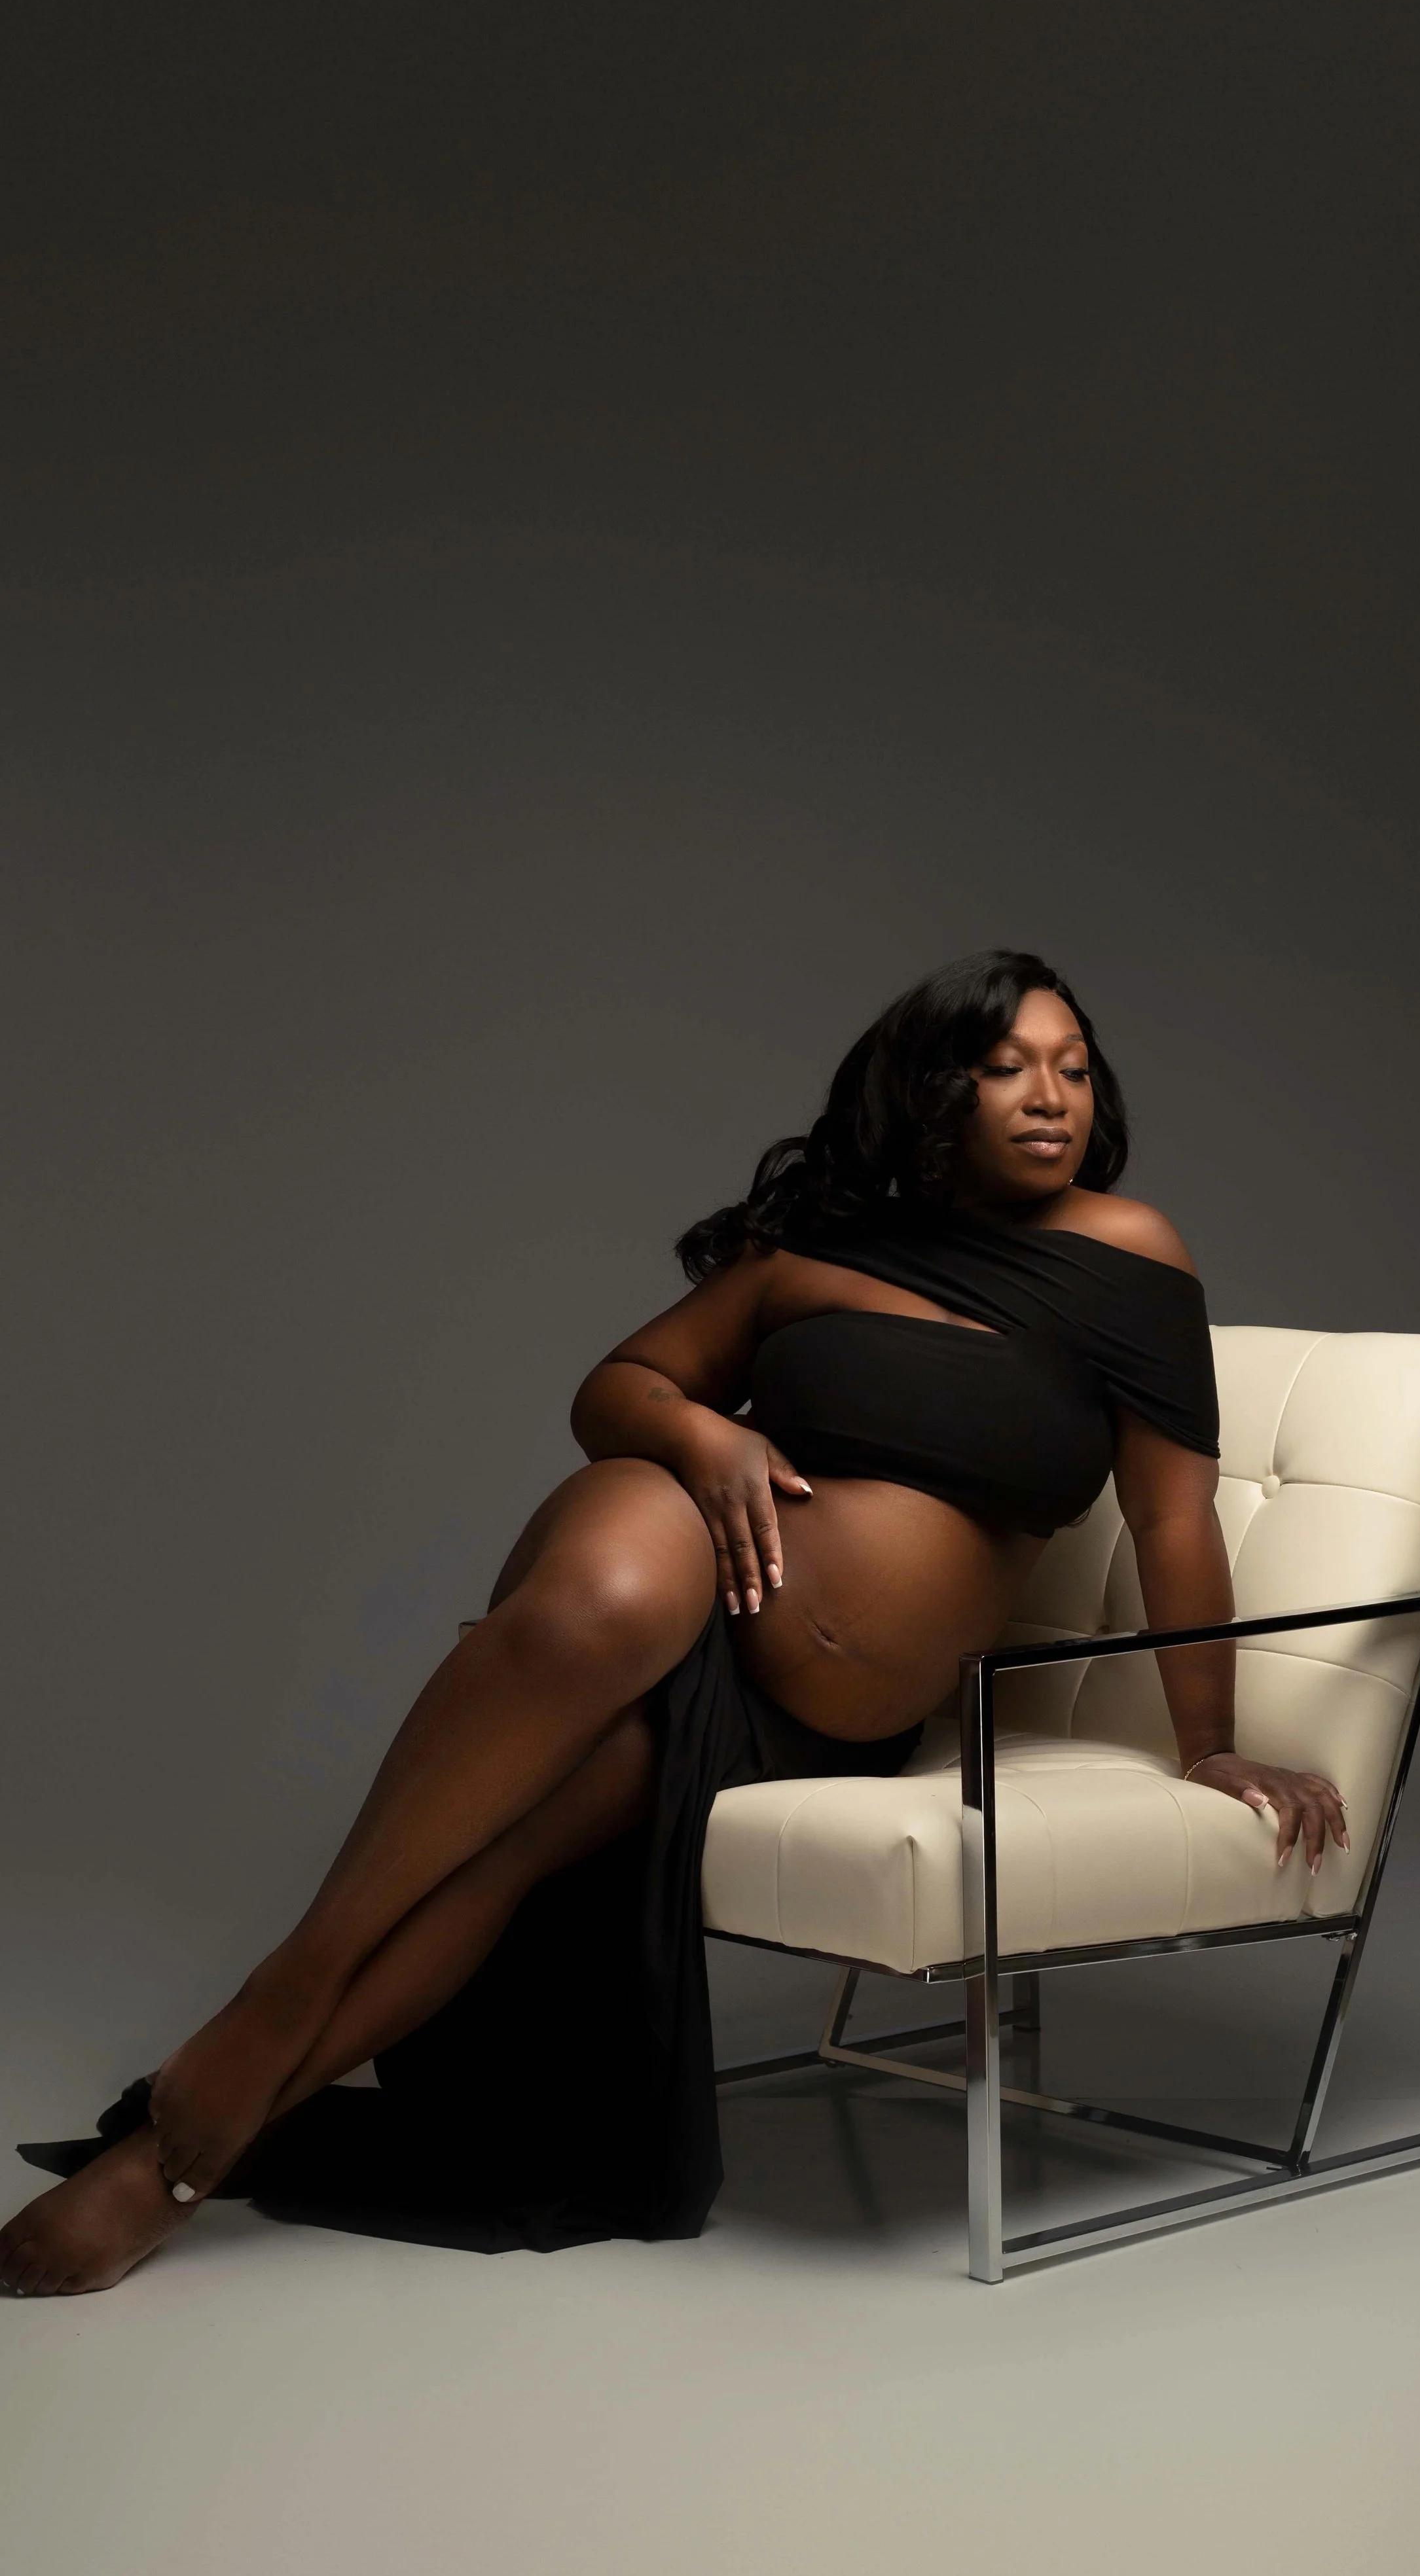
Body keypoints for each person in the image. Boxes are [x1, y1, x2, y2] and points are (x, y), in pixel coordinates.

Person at [1, 948, 1346, 2297]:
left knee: (503, 1851)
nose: (1050, 1095)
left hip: (796, 1707)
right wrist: (706, 1437)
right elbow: (620, 1385)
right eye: (1008, 1067)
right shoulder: (813, 1253)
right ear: (933, 1089)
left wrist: (1209, 1742)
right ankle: (252, 2044)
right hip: (665, 1579)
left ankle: (222, 2090)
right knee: (609, 1589)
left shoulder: (1127, 1257)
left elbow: (1172, 1520)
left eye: (1073, 1066)